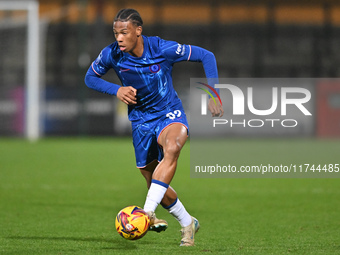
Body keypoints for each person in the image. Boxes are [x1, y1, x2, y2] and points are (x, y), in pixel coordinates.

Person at [85, 8, 223, 246]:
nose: (118, 38)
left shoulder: (161, 49)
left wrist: (214, 95)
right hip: (140, 121)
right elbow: (90, 77)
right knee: (155, 183)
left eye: (124, 32)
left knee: (174, 145)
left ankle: (146, 213)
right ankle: (188, 222)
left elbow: (206, 55)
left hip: (169, 113)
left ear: (138, 31)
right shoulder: (111, 54)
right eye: (115, 32)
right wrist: (116, 89)